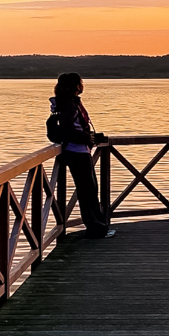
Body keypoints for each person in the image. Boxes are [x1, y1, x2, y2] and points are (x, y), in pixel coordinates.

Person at [50, 72, 114, 238]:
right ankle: (96, 229)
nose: (83, 84)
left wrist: (89, 137)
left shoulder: (68, 103)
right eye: (81, 82)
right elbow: (68, 129)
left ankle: (99, 227)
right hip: (76, 152)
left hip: (80, 151)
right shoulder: (70, 105)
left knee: (90, 190)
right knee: (88, 192)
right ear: (76, 86)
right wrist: (87, 137)